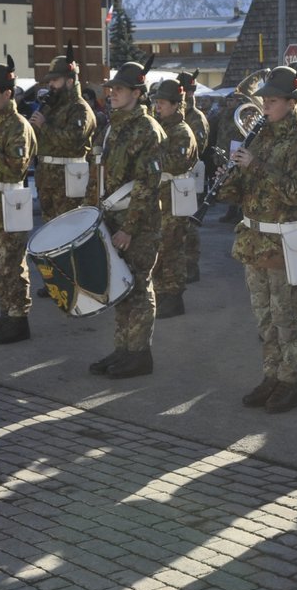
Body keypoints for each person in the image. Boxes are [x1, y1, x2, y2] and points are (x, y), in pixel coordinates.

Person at [214, 66, 297, 414]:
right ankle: (271, 376)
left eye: (272, 101)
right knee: (264, 320)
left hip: (284, 245)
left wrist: (257, 166)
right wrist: (228, 178)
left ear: (291, 102)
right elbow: (240, 194)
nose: (265, 108)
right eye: (264, 102)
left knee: (288, 319)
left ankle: (290, 383)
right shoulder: (258, 138)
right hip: (254, 242)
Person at [90, 62, 168, 378]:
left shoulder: (147, 130)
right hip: (111, 218)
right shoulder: (113, 127)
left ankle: (139, 354)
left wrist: (129, 228)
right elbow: (100, 175)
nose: (113, 94)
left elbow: (146, 185)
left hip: (138, 226)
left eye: (120, 89)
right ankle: (123, 348)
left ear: (137, 93)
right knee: (120, 286)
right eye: (111, 89)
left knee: (137, 287)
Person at [0, 57, 37, 345]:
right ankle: (6, 310)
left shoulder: (18, 126)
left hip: (11, 200)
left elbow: (15, 167)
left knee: (11, 262)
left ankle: (18, 318)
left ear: (7, 94)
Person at [150, 77, 199, 319]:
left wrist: (149, 157)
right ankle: (161, 291)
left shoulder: (182, 131)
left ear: (175, 104)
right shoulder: (160, 127)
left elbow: (175, 163)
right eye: (156, 102)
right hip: (160, 196)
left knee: (172, 247)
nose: (157, 107)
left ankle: (173, 296)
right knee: (159, 246)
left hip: (174, 196)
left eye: (161, 103)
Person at [30, 52, 97, 222]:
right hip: (47, 180)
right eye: (50, 81)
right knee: (48, 229)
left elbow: (73, 141)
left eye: (55, 80)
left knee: (67, 229)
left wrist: (44, 126)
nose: (51, 85)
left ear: (69, 81)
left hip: (68, 183)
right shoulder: (51, 106)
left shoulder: (79, 109)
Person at [175, 69, 210, 283]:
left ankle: (191, 264)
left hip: (192, 174)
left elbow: (199, 147)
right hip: (178, 177)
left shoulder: (196, 118)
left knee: (190, 223)